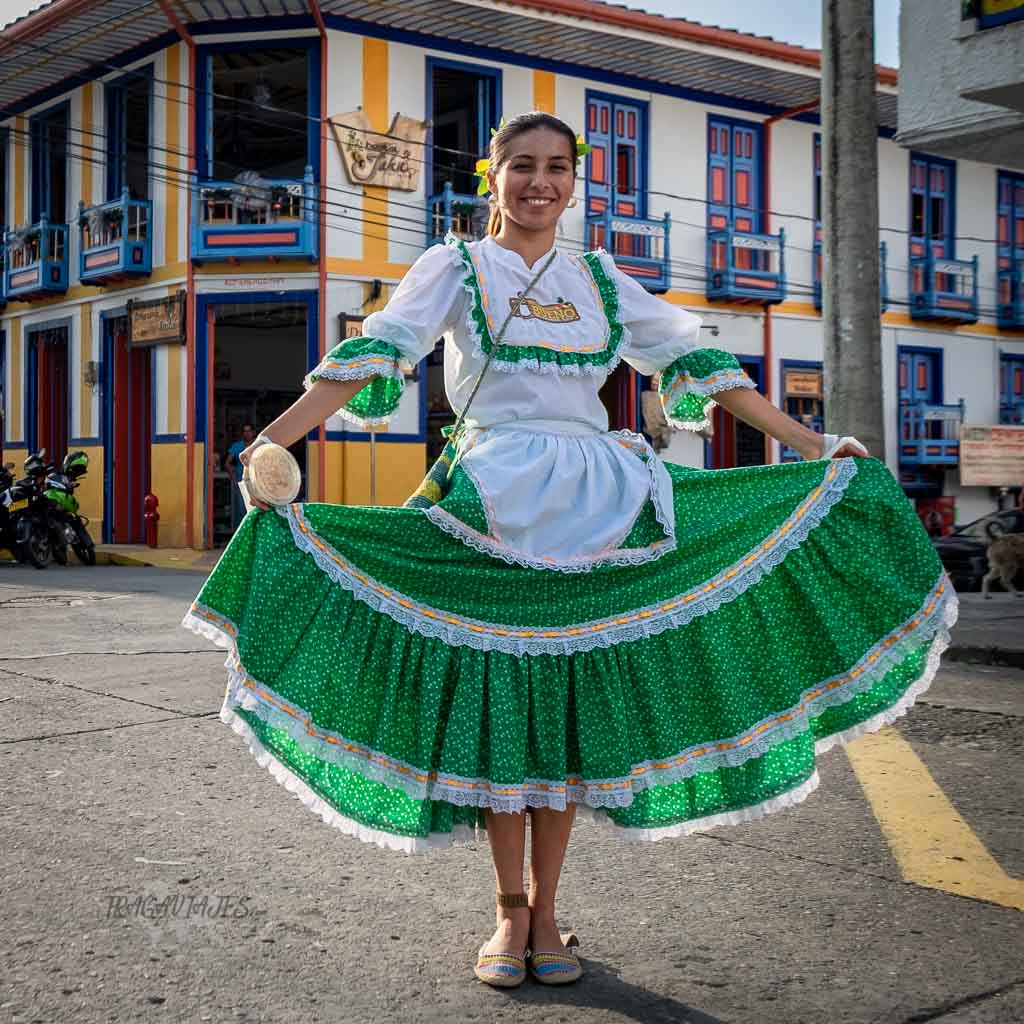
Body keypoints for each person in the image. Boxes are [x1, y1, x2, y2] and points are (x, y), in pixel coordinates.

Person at [183, 112, 958, 989]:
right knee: (506, 711)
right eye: (521, 166)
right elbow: (377, 352)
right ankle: (508, 916)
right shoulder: (455, 265)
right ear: (491, 176)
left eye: (556, 167)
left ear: (574, 180)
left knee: (559, 722)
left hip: (606, 505)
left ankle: (547, 915)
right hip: (491, 502)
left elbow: (693, 359)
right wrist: (272, 442)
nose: (538, 182)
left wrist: (811, 446)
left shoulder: (598, 274)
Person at [225, 423, 256, 531]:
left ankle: (254, 531)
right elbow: (227, 463)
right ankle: (241, 532)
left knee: (256, 507)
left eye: (249, 431)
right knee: (241, 507)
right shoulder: (237, 446)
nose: (247, 433)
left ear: (253, 433)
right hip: (241, 480)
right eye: (244, 431)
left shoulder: (258, 445)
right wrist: (233, 477)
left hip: (256, 482)